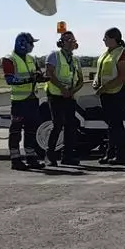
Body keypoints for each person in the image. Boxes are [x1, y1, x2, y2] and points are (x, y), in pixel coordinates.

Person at [2, 31, 46, 170]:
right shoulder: (9, 59)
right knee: (16, 131)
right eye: (30, 43)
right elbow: (10, 80)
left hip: (32, 99)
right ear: (22, 44)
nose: (32, 46)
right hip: (19, 101)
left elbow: (37, 73)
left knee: (31, 130)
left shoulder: (32, 59)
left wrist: (41, 77)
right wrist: (29, 79)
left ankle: (31, 157)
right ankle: (15, 159)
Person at [44, 26, 85, 166]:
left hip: (69, 96)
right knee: (57, 125)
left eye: (73, 40)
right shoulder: (54, 56)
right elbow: (50, 74)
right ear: (62, 42)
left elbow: (81, 80)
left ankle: (67, 156)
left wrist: (72, 91)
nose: (72, 42)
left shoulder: (75, 61)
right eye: (68, 40)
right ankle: (50, 155)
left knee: (71, 126)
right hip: (56, 95)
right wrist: (62, 89)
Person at [93, 27, 125, 166]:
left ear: (113, 38)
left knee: (116, 125)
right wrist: (96, 83)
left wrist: (104, 87)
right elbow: (101, 72)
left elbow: (123, 76)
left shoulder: (122, 53)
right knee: (111, 126)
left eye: (106, 38)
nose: (103, 40)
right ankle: (110, 153)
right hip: (106, 94)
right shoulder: (106, 54)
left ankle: (121, 155)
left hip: (117, 93)